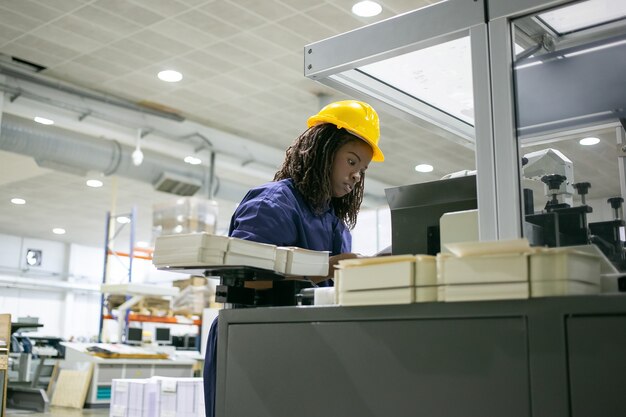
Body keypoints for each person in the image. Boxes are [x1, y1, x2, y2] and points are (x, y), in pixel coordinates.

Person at [203, 99, 384, 416]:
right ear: (324, 151)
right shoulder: (273, 204)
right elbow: (246, 279)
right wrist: (324, 267)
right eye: (352, 162)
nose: (357, 176)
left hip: (300, 343)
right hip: (250, 344)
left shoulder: (334, 220)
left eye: (363, 170)